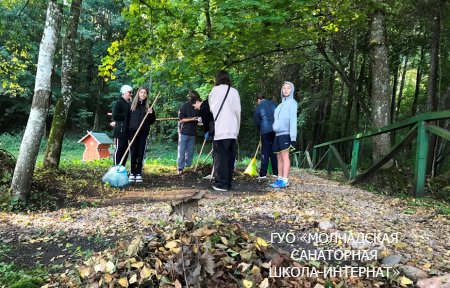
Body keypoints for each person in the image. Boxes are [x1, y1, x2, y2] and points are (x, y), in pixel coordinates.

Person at [208, 71, 241, 191]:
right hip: (232, 129)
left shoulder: (214, 91)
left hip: (220, 129)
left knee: (220, 157)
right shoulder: (234, 92)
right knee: (230, 158)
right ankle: (228, 182)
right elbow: (238, 111)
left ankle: (221, 184)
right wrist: (237, 128)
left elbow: (212, 109)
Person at [270, 81, 298, 188]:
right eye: (284, 88)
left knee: (285, 156)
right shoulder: (279, 106)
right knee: (278, 157)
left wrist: (293, 138)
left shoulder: (292, 103)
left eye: (288, 88)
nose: (286, 90)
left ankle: (285, 180)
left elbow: (293, 120)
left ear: (292, 90)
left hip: (286, 134)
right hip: (277, 135)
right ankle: (279, 178)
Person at [126, 87, 156, 182]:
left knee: (141, 152)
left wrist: (151, 113)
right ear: (138, 93)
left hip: (143, 132)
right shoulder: (131, 105)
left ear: (147, 95)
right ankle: (132, 172)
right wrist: (126, 131)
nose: (143, 94)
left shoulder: (148, 107)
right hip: (132, 131)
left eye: (145, 93)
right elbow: (127, 120)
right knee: (133, 152)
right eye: (141, 92)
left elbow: (151, 121)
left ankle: (138, 173)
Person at [253, 93, 278, 179]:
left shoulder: (258, 107)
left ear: (259, 100)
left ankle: (263, 174)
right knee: (274, 151)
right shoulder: (274, 104)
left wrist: (261, 129)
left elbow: (257, 122)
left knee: (265, 151)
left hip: (265, 130)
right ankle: (276, 173)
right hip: (276, 129)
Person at [177, 91, 200, 174]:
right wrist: (192, 119)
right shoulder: (184, 106)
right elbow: (181, 119)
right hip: (183, 131)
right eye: (192, 97)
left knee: (190, 151)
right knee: (182, 151)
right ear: (189, 97)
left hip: (193, 132)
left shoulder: (197, 106)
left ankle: (188, 166)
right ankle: (180, 168)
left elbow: (199, 119)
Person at [112, 84, 133, 166]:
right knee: (119, 149)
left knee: (126, 150)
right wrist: (127, 115)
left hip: (127, 131)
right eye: (129, 92)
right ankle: (116, 167)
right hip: (120, 130)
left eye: (131, 93)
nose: (131, 94)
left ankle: (122, 167)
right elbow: (115, 116)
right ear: (124, 92)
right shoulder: (119, 103)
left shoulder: (129, 104)